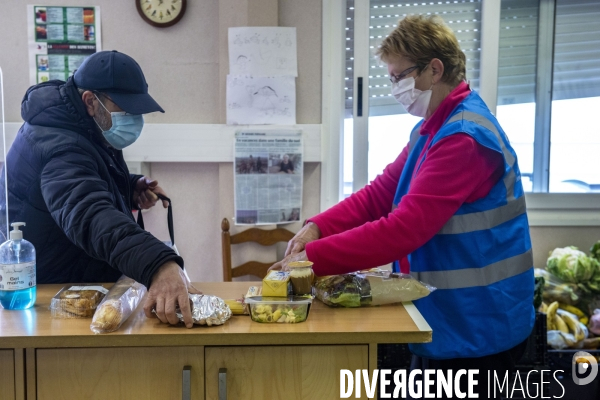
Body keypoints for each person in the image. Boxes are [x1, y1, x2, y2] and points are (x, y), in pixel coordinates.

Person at [271, 15, 534, 398]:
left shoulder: (464, 138)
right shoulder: (433, 128)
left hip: (481, 326)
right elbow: (379, 194)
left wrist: (311, 259)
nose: (394, 88)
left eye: (399, 77)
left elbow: (403, 229)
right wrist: (317, 226)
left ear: (434, 69)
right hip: (450, 319)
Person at [0, 50, 198, 328]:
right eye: (126, 110)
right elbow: (89, 215)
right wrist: (159, 264)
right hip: (54, 301)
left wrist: (129, 187)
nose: (134, 119)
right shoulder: (57, 143)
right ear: (90, 101)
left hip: (80, 280)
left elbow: (88, 179)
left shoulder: (82, 124)